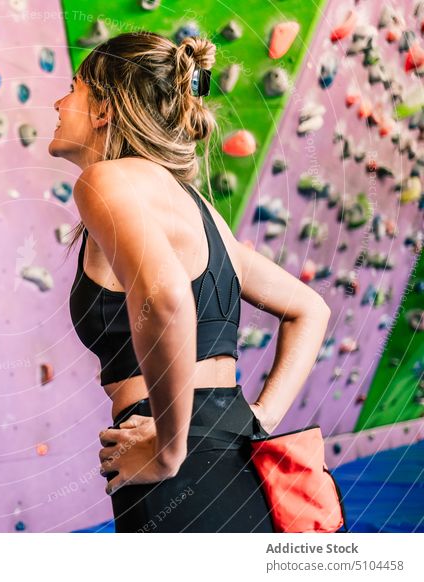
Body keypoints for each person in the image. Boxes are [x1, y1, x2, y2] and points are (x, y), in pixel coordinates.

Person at [48, 31, 331, 532]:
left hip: (175, 461)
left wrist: (167, 451)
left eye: (72, 88)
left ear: (103, 110)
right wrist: (259, 419)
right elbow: (311, 309)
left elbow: (166, 298)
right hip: (234, 446)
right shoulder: (200, 213)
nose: (58, 101)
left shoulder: (104, 180)